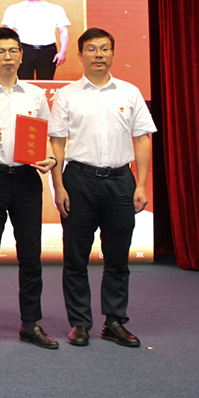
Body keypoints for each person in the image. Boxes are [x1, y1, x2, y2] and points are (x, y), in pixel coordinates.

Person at [49, 28, 155, 348]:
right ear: (80, 54)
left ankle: (114, 321)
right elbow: (57, 143)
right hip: (78, 181)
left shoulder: (130, 92)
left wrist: (141, 184)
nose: (98, 54)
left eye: (104, 48)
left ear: (112, 53)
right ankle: (80, 323)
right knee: (76, 257)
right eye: (92, 49)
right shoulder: (66, 95)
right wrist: (58, 186)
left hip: (121, 182)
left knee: (117, 257)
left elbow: (142, 139)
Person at [0, 27, 58, 350]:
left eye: (13, 51)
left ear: (21, 56)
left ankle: (30, 323)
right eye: (0, 51)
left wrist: (49, 158)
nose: (7, 56)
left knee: (30, 253)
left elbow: (46, 137)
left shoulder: (35, 95)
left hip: (27, 179)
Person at [1, 0, 70, 80]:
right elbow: (8, 32)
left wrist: (62, 52)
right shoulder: (14, 9)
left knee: (46, 81)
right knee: (23, 82)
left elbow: (63, 31)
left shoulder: (56, 9)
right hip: (23, 49)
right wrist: (10, 51)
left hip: (48, 50)